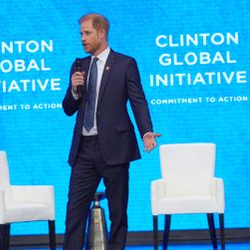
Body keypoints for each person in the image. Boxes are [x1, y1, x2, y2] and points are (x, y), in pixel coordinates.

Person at [62, 13, 161, 250]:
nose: (82, 39)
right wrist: (75, 90)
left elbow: (137, 100)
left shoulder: (125, 64)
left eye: (87, 33)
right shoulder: (79, 66)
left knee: (118, 213)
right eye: (81, 34)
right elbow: (68, 108)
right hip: (84, 150)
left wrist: (146, 131)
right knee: (74, 213)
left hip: (115, 149)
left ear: (101, 33)